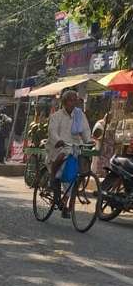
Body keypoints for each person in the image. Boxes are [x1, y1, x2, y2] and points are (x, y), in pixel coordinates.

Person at [46, 88, 91, 216]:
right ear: (65, 102)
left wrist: (88, 141)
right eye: (71, 100)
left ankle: (66, 204)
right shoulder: (56, 116)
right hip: (58, 146)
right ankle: (52, 177)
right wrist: (58, 140)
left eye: (75, 100)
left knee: (77, 174)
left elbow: (85, 130)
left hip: (75, 146)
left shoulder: (79, 115)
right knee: (62, 156)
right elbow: (52, 131)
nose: (73, 103)